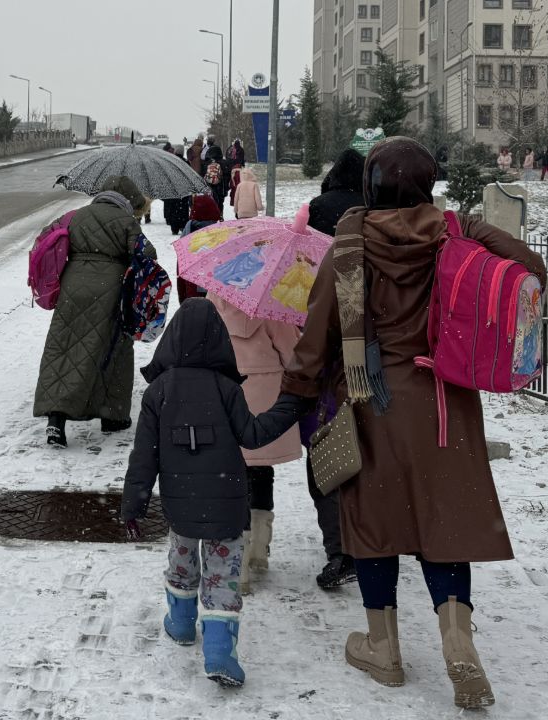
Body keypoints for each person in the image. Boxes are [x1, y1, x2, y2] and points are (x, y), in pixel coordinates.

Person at [280, 137, 546, 709]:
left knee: (376, 524)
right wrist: (471, 226)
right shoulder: (451, 235)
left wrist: (294, 394)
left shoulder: (350, 242)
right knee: (442, 519)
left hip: (370, 399)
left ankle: (384, 648)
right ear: (429, 184)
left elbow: (318, 330)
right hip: (446, 401)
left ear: (373, 186)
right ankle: (458, 644)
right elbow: (531, 270)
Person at [121, 297, 312, 688]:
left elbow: (144, 457)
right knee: (223, 574)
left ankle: (179, 623)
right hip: (227, 504)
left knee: (183, 561)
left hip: (180, 504)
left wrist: (133, 507)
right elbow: (253, 435)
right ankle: (220, 651)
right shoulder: (226, 389)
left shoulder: (158, 393)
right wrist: (290, 405)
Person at [34, 176, 155, 447]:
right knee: (114, 350)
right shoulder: (126, 221)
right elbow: (148, 254)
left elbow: (46, 237)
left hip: (72, 287)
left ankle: (56, 419)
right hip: (110, 290)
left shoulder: (75, 216)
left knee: (63, 350)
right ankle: (112, 416)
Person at [209, 280, 301, 596]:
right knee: (262, 470)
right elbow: (290, 350)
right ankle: (259, 550)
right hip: (264, 394)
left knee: (236, 475)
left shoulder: (215, 291)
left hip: (226, 390)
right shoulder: (273, 295)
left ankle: (240, 562)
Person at [302, 147, 367, 589]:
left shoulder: (318, 211)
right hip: (375, 344)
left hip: (327, 341)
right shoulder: (376, 214)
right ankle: (373, 541)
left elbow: (301, 268)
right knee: (371, 449)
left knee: (325, 448)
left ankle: (339, 549)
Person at [176, 194, 223, 302]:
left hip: (192, 295)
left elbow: (180, 271)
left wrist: (183, 298)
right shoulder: (221, 233)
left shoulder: (187, 234)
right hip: (216, 296)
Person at [204, 147, 230, 218]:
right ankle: (220, 215)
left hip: (210, 187)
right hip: (222, 188)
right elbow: (228, 175)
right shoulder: (224, 163)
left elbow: (204, 175)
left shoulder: (207, 163)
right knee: (220, 202)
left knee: (211, 202)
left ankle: (212, 216)